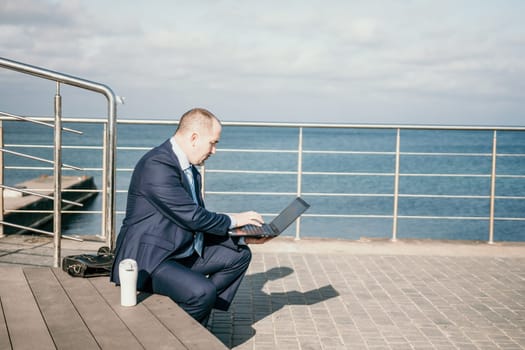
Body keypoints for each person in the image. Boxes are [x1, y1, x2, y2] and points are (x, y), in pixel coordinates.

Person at [110, 108, 272, 324]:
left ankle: (196, 318)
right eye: (213, 143)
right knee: (202, 291)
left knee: (239, 255)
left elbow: (196, 222)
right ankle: (183, 328)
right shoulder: (157, 165)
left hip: (179, 250)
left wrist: (241, 236)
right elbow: (193, 217)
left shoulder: (190, 169)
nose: (214, 150)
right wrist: (235, 219)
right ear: (194, 138)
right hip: (150, 259)